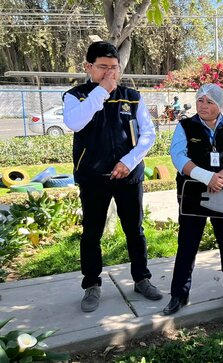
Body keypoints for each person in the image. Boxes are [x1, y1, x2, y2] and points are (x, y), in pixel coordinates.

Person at [63, 41, 161, 313]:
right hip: (93, 176)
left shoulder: (133, 96)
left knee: (135, 230)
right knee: (92, 233)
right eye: (103, 68)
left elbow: (148, 135)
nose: (110, 74)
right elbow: (75, 123)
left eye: (114, 68)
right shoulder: (76, 96)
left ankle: (142, 279)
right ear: (88, 67)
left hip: (128, 175)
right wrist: (102, 91)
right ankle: (92, 285)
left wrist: (128, 162)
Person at [164, 83, 223, 315]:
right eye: (200, 100)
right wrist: (205, 177)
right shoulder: (185, 126)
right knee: (188, 243)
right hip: (193, 193)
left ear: (219, 105)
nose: (203, 106)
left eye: (209, 102)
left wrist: (220, 176)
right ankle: (178, 295)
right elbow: (178, 156)